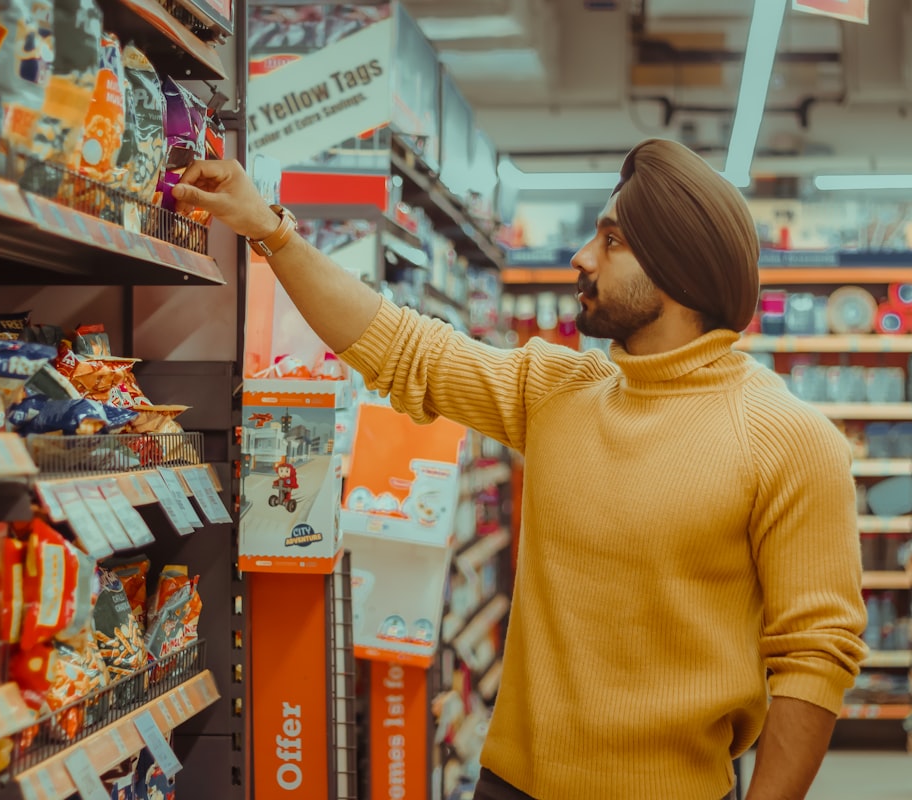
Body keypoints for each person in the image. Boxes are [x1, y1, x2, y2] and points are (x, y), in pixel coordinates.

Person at [172, 138, 867, 800]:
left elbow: (816, 658)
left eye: (612, 241)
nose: (581, 256)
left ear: (678, 270)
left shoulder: (791, 440)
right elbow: (398, 345)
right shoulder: (557, 389)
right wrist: (270, 230)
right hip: (508, 786)